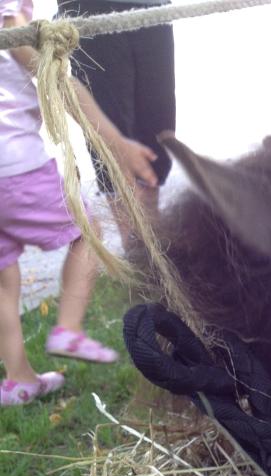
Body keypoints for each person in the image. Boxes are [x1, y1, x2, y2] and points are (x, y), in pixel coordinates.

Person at [0, 0, 158, 406]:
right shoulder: (9, 14)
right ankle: (67, 329)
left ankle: (19, 380)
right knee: (88, 234)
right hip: (15, 168)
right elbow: (52, 77)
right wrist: (117, 143)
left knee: (4, 278)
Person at [58, 0, 176, 247]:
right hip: (89, 8)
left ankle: (155, 251)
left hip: (152, 7)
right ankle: (136, 254)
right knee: (111, 133)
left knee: (159, 132)